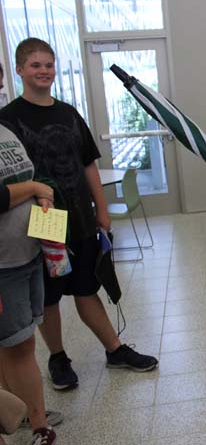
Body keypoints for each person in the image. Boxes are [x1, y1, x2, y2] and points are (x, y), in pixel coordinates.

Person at [0, 38, 158, 393]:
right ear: (20, 69)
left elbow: (89, 163)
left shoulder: (69, 113)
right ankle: (58, 358)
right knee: (50, 297)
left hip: (81, 218)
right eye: (36, 65)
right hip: (41, 223)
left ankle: (114, 350)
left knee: (88, 288)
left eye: (49, 65)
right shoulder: (7, 120)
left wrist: (101, 209)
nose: (44, 71)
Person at [0, 60, 60, 445]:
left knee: (18, 343)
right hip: (3, 266)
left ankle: (23, 414)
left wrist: (42, 192)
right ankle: (36, 423)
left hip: (26, 255)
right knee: (20, 344)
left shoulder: (4, 132)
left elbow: (27, 177)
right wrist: (35, 187)